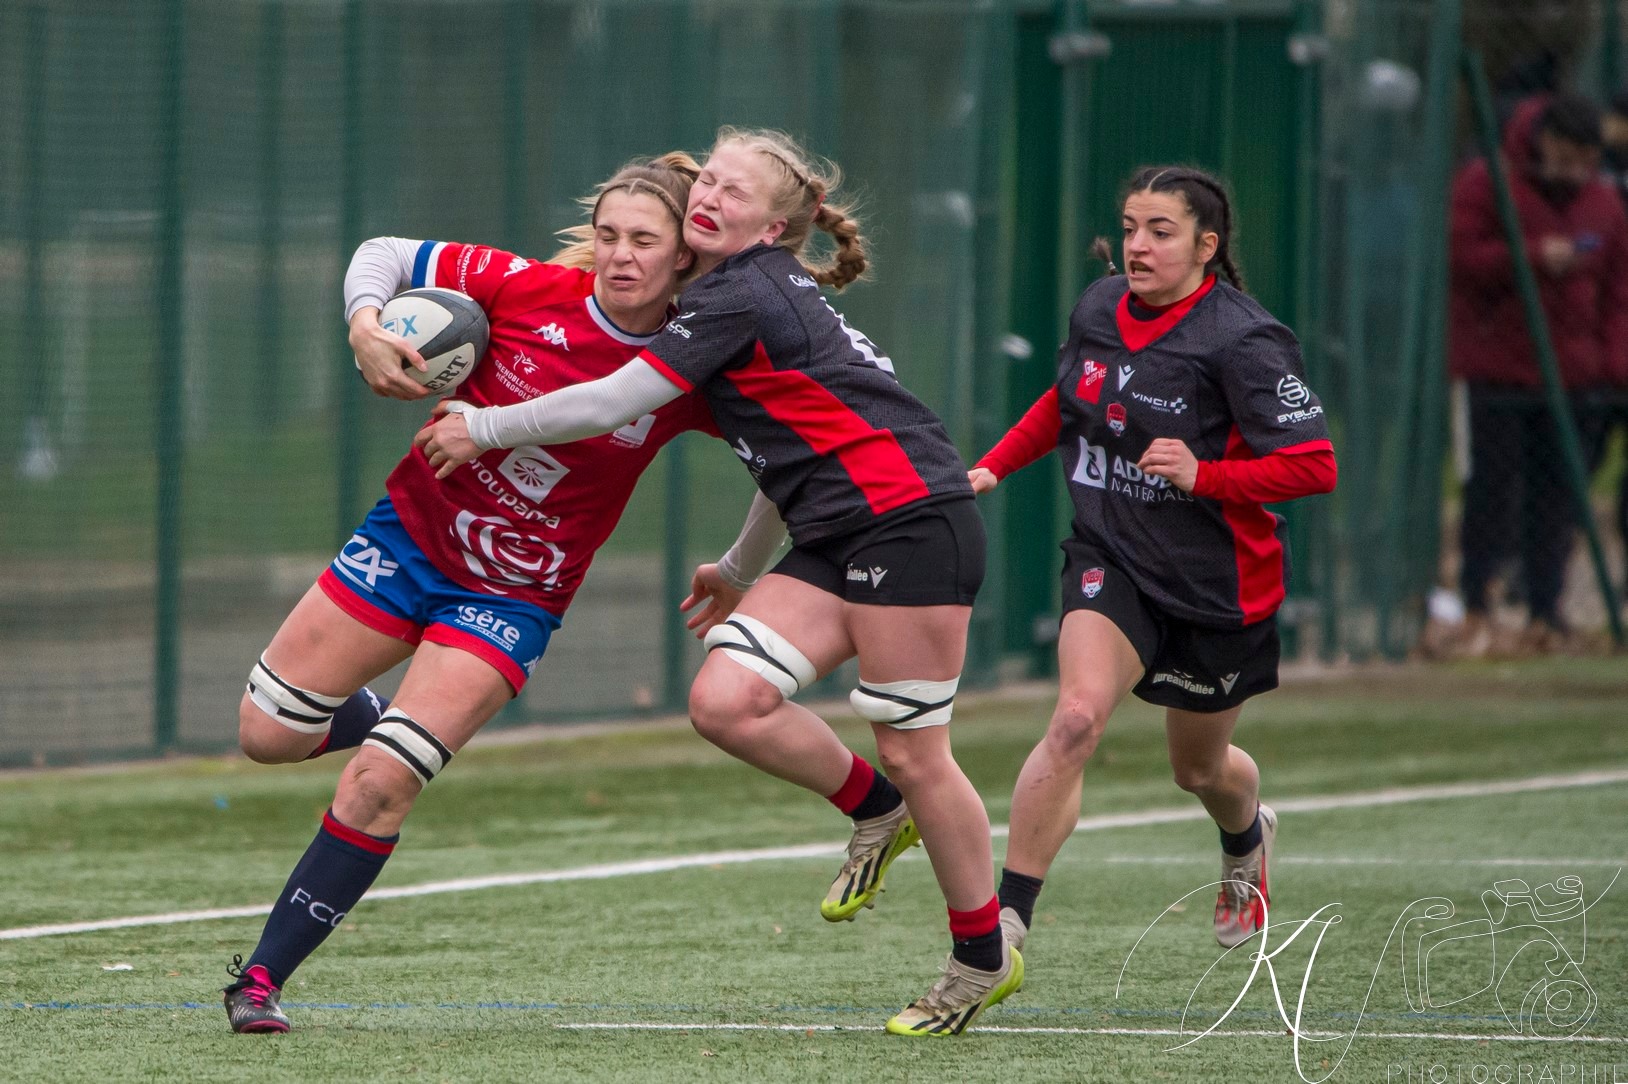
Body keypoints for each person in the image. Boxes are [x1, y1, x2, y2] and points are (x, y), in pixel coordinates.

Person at [416, 126, 1021, 1036]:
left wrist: (486, 426)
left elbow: (615, 400)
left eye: (738, 194)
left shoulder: (741, 293)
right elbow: (793, 451)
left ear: (774, 229)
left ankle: (982, 958)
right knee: (727, 701)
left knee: (915, 748)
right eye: (713, 179)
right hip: (833, 533)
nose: (712, 197)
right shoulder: (736, 291)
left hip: (911, 524)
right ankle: (874, 808)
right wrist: (739, 568)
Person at [222, 153, 723, 1034]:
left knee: (382, 782)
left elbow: (797, 442)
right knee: (267, 734)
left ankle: (258, 981)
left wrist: (748, 564)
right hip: (408, 540)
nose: (619, 255)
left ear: (685, 253)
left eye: (645, 240)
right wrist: (364, 327)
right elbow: (382, 251)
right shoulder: (528, 288)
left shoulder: (699, 357)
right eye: (607, 234)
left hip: (513, 597)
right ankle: (403, 715)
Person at [966, 166, 1337, 958]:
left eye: (1160, 232)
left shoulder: (1244, 341)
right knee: (1074, 719)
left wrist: (1207, 477)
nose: (1138, 245)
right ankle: (1005, 919)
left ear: (1207, 246)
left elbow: (1314, 466)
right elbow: (1069, 400)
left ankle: (1246, 839)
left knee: (1199, 772)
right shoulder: (1100, 306)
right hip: (1112, 555)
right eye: (1131, 227)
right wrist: (994, 466)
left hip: (1217, 586)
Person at [1447, 92, 1628, 655]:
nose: (1576, 172)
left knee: (1559, 498)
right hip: (1497, 370)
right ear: (1544, 142)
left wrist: (1612, 364)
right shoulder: (1487, 184)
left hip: (1575, 377)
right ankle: (1479, 603)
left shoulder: (1603, 201)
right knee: (1491, 491)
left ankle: (1546, 612)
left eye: (1586, 160)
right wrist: (1530, 256)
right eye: (1566, 155)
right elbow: (1461, 258)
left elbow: (1618, 291)